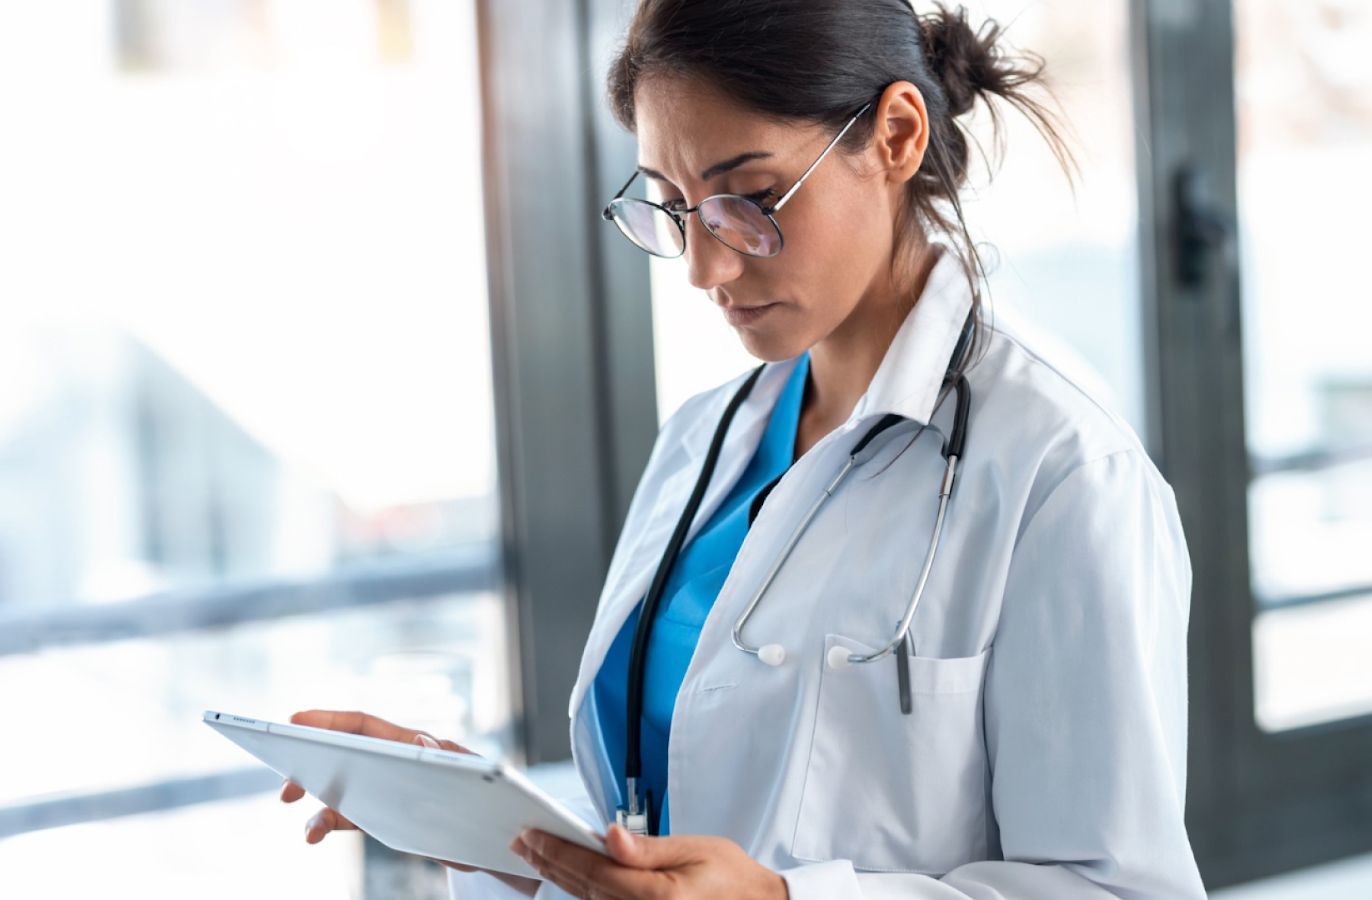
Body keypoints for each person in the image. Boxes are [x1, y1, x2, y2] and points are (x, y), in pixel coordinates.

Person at [279, 1, 1207, 898]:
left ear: (895, 136)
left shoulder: (1063, 477)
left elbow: (1117, 890)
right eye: (674, 206)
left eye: (751, 199)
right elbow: (667, 814)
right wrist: (486, 822)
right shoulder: (704, 441)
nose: (705, 267)